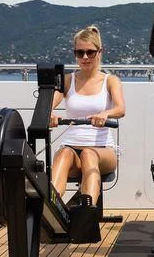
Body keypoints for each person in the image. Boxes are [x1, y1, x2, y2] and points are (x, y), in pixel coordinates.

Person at [49, 25, 125, 207]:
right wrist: (48, 113)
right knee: (63, 153)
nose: (84, 57)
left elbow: (120, 109)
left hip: (102, 150)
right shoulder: (68, 80)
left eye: (90, 52)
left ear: (99, 52)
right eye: (79, 52)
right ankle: (51, 208)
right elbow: (47, 104)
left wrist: (105, 114)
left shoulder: (110, 81)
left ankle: (87, 212)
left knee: (89, 154)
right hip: (72, 147)